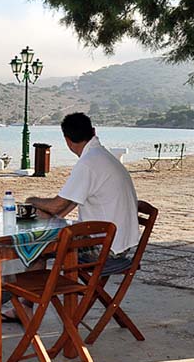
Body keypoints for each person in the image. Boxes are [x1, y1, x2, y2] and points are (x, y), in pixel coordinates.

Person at [26, 112, 140, 266]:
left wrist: (31, 200)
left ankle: (34, 289)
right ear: (93, 132)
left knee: (36, 248)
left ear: (67, 140)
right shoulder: (103, 156)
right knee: (46, 237)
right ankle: (39, 288)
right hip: (122, 242)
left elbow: (56, 206)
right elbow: (67, 205)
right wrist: (51, 216)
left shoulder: (88, 163)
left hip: (105, 247)